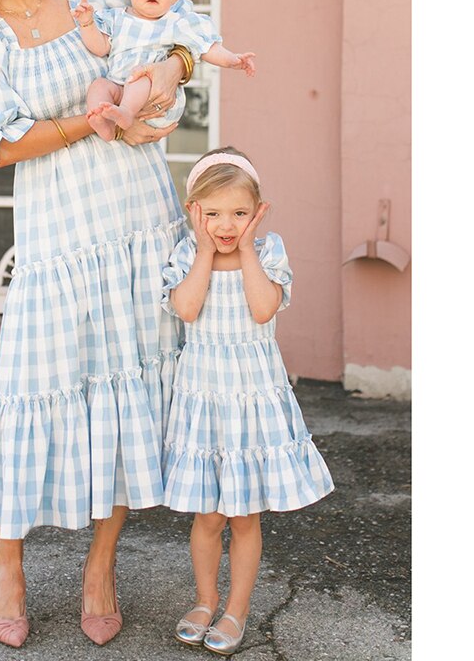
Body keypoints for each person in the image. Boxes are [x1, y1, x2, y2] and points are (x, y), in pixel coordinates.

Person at [0, 0, 194, 649]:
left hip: (139, 224)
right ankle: (8, 562)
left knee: (128, 391)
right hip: (59, 240)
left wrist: (164, 77)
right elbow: (1, 144)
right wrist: (95, 118)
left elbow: (174, 41)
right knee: (36, 391)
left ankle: (100, 566)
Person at [160, 147, 334, 655]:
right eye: (211, 213)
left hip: (252, 396)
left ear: (258, 211)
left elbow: (263, 309)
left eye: (239, 212)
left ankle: (236, 609)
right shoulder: (189, 252)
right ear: (194, 211)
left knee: (244, 515)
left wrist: (250, 249)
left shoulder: (269, 250)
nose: (225, 224)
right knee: (208, 515)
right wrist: (205, 252)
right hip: (205, 397)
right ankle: (204, 599)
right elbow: (187, 308)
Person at [71, 0, 256, 141]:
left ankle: (125, 112)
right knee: (99, 85)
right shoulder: (116, 19)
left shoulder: (174, 23)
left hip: (154, 94)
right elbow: (99, 47)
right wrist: (87, 23)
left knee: (142, 77)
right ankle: (103, 123)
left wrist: (233, 60)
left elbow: (207, 47)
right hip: (118, 86)